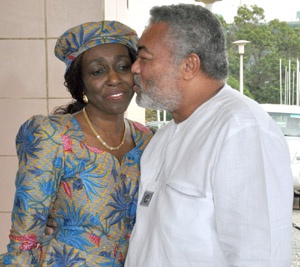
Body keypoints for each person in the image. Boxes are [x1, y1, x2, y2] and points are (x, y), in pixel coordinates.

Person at [124, 4, 294, 267]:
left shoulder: (241, 130)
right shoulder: (165, 136)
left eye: (144, 58)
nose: (134, 68)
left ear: (189, 65)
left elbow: (260, 255)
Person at [0, 21, 152, 267]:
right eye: (97, 71)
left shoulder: (149, 140)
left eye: (122, 67)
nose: (114, 78)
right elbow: (24, 240)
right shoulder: (51, 136)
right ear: (80, 82)